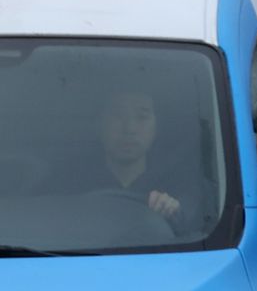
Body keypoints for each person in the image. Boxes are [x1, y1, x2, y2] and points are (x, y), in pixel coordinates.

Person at [55, 87, 205, 236]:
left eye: (142, 117)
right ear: (98, 125)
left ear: (157, 128)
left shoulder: (181, 188)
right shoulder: (67, 185)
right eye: (117, 115)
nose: (129, 128)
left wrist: (174, 216)